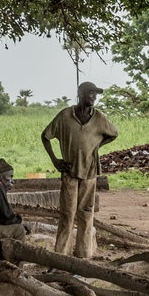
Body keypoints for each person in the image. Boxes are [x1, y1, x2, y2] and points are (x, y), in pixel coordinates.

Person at [40, 81, 118, 258]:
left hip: (90, 172)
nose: (94, 97)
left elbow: (113, 134)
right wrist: (55, 160)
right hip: (69, 171)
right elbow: (45, 136)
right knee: (67, 215)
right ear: (81, 93)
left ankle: (83, 255)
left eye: (96, 94)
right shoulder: (65, 116)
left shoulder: (99, 117)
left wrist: (97, 145)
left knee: (86, 214)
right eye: (91, 93)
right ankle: (61, 257)